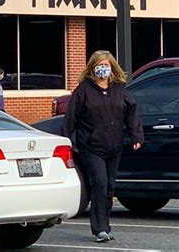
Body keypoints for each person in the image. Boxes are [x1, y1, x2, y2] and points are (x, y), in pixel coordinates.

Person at [62, 50, 143, 244]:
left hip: (114, 145)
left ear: (112, 67)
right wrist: (65, 140)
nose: (103, 69)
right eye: (99, 65)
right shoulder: (83, 90)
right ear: (92, 68)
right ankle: (99, 229)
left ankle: (105, 226)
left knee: (109, 187)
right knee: (99, 183)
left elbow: (131, 112)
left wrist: (136, 135)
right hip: (91, 146)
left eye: (106, 65)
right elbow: (71, 117)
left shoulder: (119, 89)